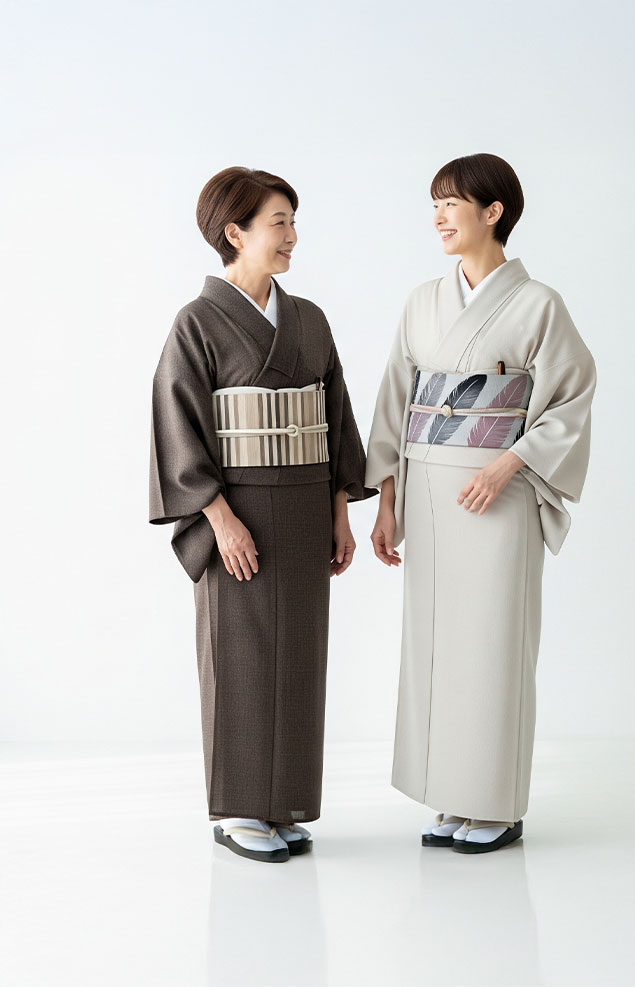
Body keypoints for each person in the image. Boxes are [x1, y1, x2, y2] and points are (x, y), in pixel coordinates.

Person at [366, 153, 597, 854]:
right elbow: (394, 403)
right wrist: (386, 500)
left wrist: (508, 462)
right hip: (430, 495)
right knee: (435, 645)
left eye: (452, 203)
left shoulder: (538, 304)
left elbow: (571, 397)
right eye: (434, 204)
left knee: (493, 643)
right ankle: (448, 793)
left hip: (498, 497)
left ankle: (493, 803)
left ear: (493, 212)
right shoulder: (421, 301)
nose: (439, 217)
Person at [149, 167, 376, 863]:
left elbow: (334, 416)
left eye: (292, 222)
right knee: (240, 656)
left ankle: (284, 803)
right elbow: (178, 426)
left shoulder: (309, 319)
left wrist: (339, 510)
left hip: (306, 505)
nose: (292, 236)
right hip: (237, 511)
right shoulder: (197, 323)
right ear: (235, 232)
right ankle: (239, 807)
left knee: (300, 655)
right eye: (279, 222)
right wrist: (219, 519)